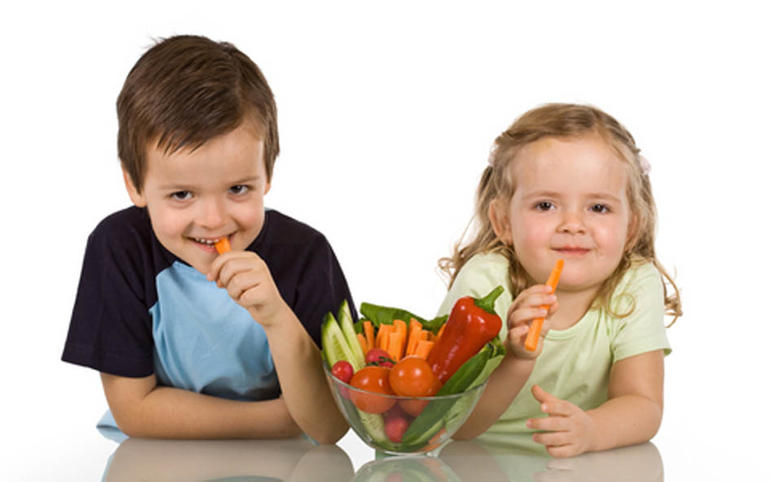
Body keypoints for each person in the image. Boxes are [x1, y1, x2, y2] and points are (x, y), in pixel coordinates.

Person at [61, 35, 352, 443]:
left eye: (238, 189)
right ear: (135, 184)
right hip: (157, 461)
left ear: (267, 174)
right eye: (182, 195)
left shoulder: (306, 255)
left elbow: (329, 425)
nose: (213, 221)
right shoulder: (118, 248)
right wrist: (284, 419)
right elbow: (134, 411)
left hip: (289, 464)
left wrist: (276, 318)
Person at [439, 103, 681, 457]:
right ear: (503, 222)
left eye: (598, 208)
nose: (573, 224)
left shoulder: (634, 284)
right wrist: (516, 358)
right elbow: (456, 425)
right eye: (545, 206)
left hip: (588, 464)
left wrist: (592, 430)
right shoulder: (485, 282)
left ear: (630, 229)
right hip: (473, 462)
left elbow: (644, 405)